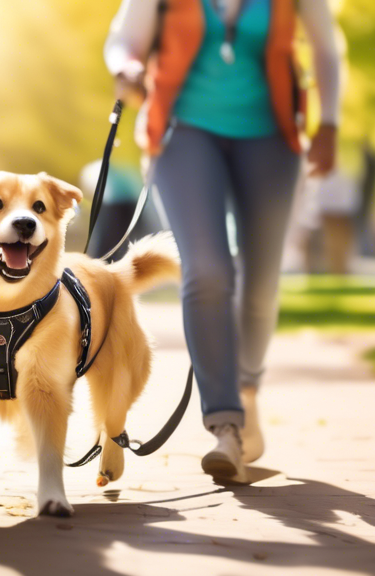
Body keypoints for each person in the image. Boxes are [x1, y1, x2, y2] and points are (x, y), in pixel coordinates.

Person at [105, 0, 341, 481]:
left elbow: (325, 46)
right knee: (209, 270)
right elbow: (124, 38)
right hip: (183, 132)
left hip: (272, 137)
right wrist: (126, 66)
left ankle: (248, 387)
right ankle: (225, 424)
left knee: (260, 282)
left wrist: (330, 122)